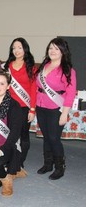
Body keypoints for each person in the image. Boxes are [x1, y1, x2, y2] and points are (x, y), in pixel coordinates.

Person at [35, 38, 76, 180]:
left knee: (53, 138)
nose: (52, 51)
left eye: (56, 49)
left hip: (56, 108)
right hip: (40, 106)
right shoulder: (44, 65)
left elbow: (71, 93)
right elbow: (37, 86)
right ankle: (48, 164)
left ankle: (60, 167)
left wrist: (65, 113)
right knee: (46, 137)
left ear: (62, 52)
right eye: (50, 48)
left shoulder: (67, 70)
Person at [4, 37, 37, 176]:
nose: (16, 50)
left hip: (24, 108)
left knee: (23, 136)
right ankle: (10, 158)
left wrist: (32, 109)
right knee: (9, 134)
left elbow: (33, 89)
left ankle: (19, 162)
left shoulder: (31, 67)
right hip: (9, 107)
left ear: (25, 49)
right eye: (14, 48)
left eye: (19, 47)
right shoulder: (8, 66)